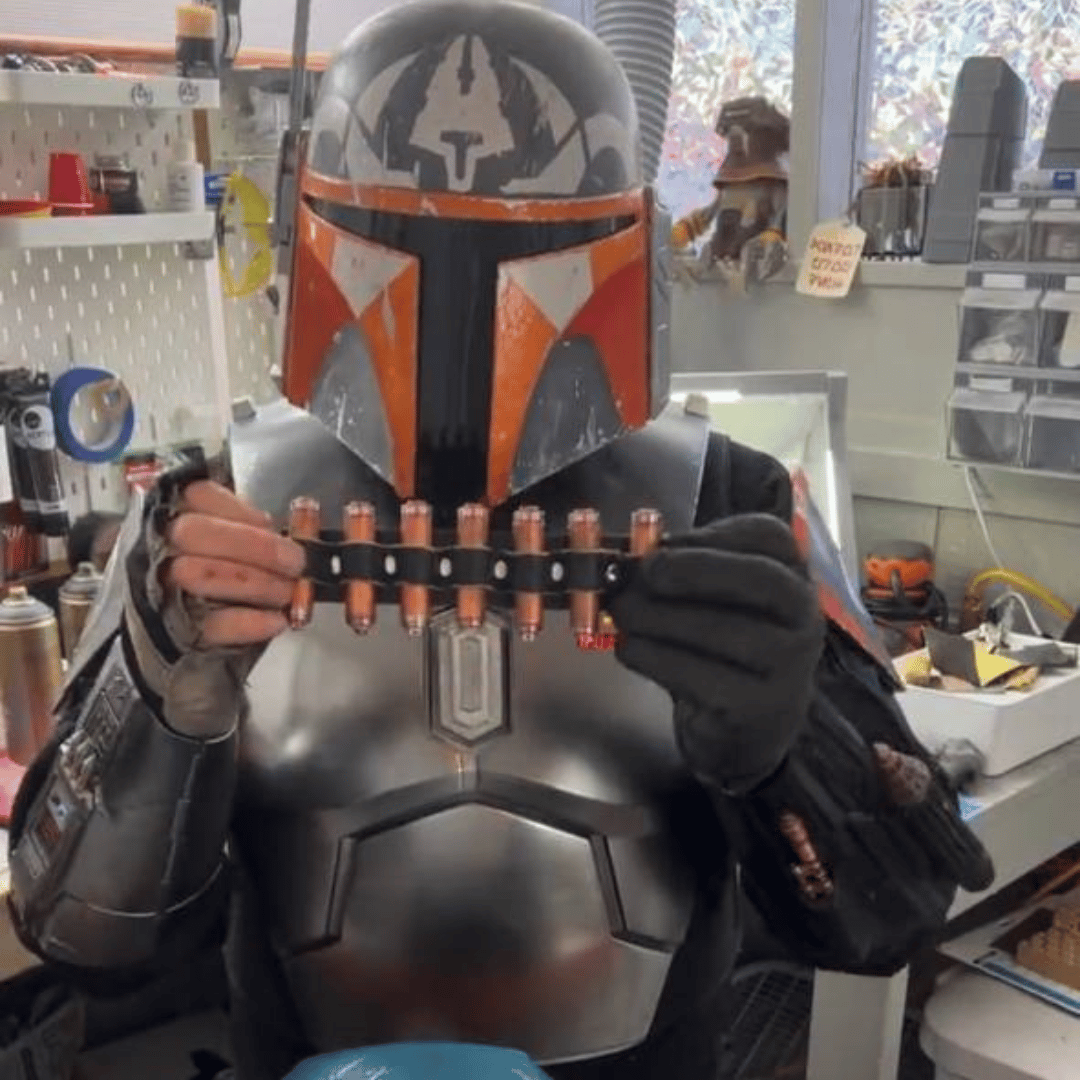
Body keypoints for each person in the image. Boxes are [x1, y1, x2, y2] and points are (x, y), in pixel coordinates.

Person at [7, 4, 993, 1080]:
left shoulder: (736, 502)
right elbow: (77, 927)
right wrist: (166, 700)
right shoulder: (213, 519)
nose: (466, 315)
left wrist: (788, 747)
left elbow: (897, 908)